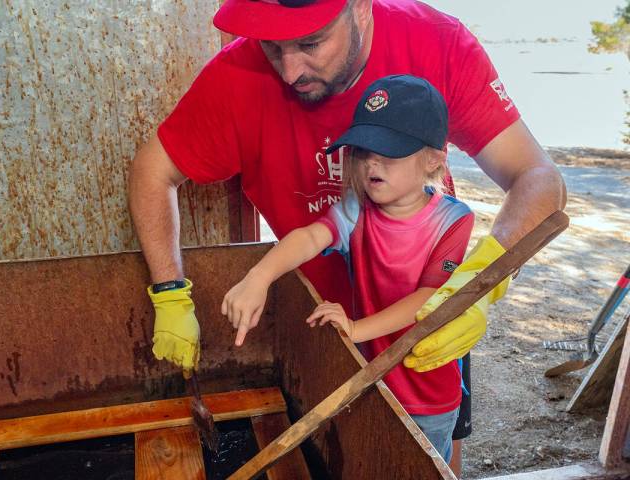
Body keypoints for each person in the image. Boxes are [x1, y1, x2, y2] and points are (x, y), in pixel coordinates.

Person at [128, 0, 566, 473]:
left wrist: (480, 283)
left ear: (360, 7)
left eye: (311, 43)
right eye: (273, 48)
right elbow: (153, 171)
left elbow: (539, 178)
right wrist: (170, 291)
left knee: (431, 455)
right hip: (328, 328)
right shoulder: (238, 75)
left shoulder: (436, 43)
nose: (291, 71)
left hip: (428, 321)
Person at [222, 74, 484, 462]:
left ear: (433, 159)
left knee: (423, 468)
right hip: (371, 381)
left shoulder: (453, 219)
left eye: (389, 152)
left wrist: (355, 328)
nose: (371, 163)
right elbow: (312, 237)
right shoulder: (356, 209)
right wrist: (258, 277)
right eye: (362, 151)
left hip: (428, 389)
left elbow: (428, 297)